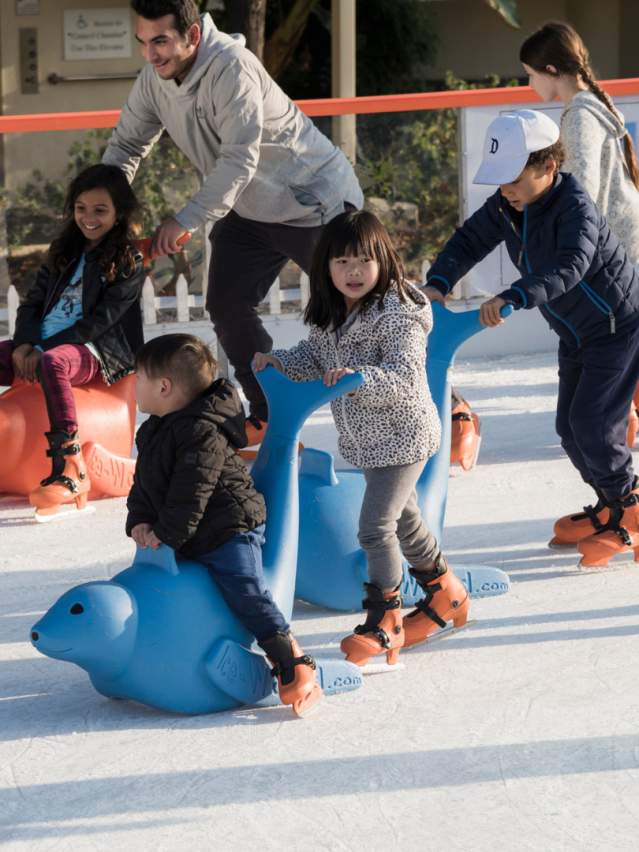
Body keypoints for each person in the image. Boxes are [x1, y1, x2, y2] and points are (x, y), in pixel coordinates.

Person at [103, 0, 363, 434]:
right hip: (249, 208)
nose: (151, 55)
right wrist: (100, 206)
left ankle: (445, 405)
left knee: (361, 311)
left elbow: (238, 161)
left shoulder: (232, 68)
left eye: (161, 42)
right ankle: (269, 413)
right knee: (225, 303)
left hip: (314, 203)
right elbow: (127, 147)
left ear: (193, 36)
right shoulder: (154, 80)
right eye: (144, 43)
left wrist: (185, 220)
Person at [423, 109, 639, 566]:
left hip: (618, 329)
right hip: (575, 333)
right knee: (569, 429)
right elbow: (467, 242)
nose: (505, 189)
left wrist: (514, 296)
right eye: (499, 179)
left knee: (595, 426)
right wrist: (437, 283)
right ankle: (611, 504)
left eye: (514, 178)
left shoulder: (575, 206)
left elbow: (570, 267)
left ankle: (632, 507)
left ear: (547, 166)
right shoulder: (507, 206)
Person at [254, 210, 470, 666]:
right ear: (325, 268)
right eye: (341, 262)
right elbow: (314, 355)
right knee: (407, 522)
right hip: (367, 441)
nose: (353, 272)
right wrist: (280, 362)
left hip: (405, 435)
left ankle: (385, 617)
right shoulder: (333, 313)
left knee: (375, 527)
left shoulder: (399, 314)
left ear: (383, 262)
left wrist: (359, 377)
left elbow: (405, 374)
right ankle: (446, 591)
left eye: (363, 262)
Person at [126, 333, 321, 715]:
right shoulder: (153, 428)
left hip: (229, 528)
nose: (133, 385)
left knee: (244, 589)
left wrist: (166, 534)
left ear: (163, 387)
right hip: (189, 529)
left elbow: (191, 492)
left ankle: (288, 656)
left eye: (138, 378)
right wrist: (141, 520)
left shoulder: (202, 431)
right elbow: (144, 483)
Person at [0, 164, 145, 515]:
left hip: (96, 351)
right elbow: (32, 303)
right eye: (81, 209)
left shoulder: (128, 260)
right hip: (43, 343)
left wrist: (42, 350)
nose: (88, 218)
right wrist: (24, 344)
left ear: (119, 213)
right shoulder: (63, 251)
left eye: (100, 210)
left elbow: (100, 322)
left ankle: (69, 464)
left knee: (55, 362)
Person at [520, 21, 639, 264]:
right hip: (624, 237)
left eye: (531, 75)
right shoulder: (589, 105)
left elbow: (583, 189)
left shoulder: (580, 116)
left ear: (551, 70)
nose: (529, 84)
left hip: (619, 247)